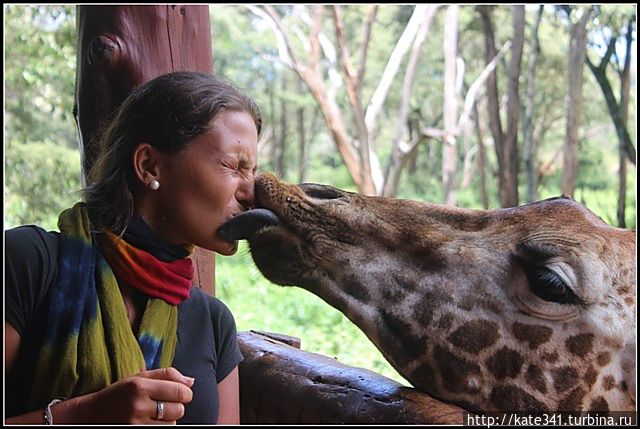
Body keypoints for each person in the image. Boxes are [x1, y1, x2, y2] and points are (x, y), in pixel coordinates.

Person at [5, 71, 261, 424]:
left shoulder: (213, 323)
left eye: (253, 171)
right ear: (149, 165)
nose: (251, 193)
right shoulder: (25, 265)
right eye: (234, 165)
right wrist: (84, 415)